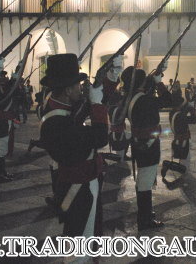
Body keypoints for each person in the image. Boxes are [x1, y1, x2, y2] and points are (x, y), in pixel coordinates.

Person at [37, 54, 110, 242]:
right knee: (79, 246)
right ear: (68, 90)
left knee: (83, 236)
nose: (80, 88)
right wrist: (97, 104)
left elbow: (80, 111)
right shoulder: (57, 122)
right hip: (78, 187)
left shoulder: (59, 106)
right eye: (78, 85)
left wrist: (103, 87)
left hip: (79, 183)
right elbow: (100, 138)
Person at [121, 63, 173, 230]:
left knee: (144, 179)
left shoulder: (132, 97)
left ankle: (146, 214)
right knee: (144, 182)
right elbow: (168, 101)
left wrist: (153, 77)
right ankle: (144, 220)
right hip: (148, 146)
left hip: (140, 144)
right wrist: (159, 82)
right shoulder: (143, 99)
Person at [164, 92, 196, 183]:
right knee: (185, 160)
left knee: (182, 158)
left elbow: (181, 114)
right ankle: (183, 177)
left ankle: (182, 174)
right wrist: (191, 108)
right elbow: (194, 120)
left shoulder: (173, 113)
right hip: (183, 140)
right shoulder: (180, 115)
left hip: (178, 139)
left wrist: (187, 107)